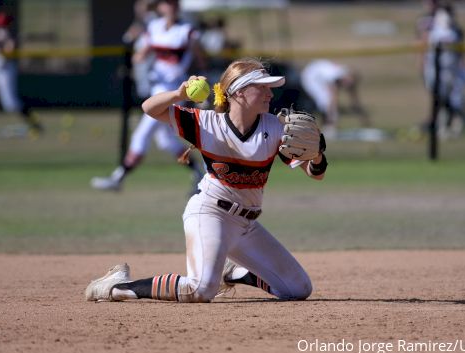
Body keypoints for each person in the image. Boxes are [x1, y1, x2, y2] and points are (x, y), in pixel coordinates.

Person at [85, 58, 327, 303]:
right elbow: (150, 108)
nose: (270, 93)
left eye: (270, 86)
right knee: (199, 290)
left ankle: (233, 272)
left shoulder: (275, 128)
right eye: (262, 86)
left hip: (247, 225)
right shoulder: (207, 123)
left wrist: (316, 155)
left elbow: (315, 173)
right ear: (239, 91)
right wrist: (178, 93)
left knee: (298, 289)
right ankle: (116, 286)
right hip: (210, 214)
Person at [90, 0, 205, 193]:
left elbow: (199, 57)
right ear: (160, 7)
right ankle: (200, 175)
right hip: (157, 88)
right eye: (167, 4)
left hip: (176, 89)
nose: (171, 7)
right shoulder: (155, 27)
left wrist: (204, 74)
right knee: (166, 141)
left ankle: (118, 178)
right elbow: (142, 53)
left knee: (142, 133)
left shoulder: (187, 30)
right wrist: (134, 58)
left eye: (174, 3)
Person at [421, 5, 465, 138]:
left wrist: (464, 65)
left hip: (452, 71)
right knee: (439, 100)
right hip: (436, 70)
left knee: (455, 100)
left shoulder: (457, 31)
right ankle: (441, 128)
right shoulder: (433, 31)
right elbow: (425, 50)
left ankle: (456, 127)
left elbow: (462, 51)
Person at [300, 59, 373, 139]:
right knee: (325, 100)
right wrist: (333, 120)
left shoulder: (347, 77)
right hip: (311, 76)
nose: (347, 86)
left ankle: (327, 125)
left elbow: (355, 101)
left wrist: (364, 118)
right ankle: (328, 126)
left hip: (319, 75)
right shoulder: (336, 77)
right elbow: (333, 100)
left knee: (327, 101)